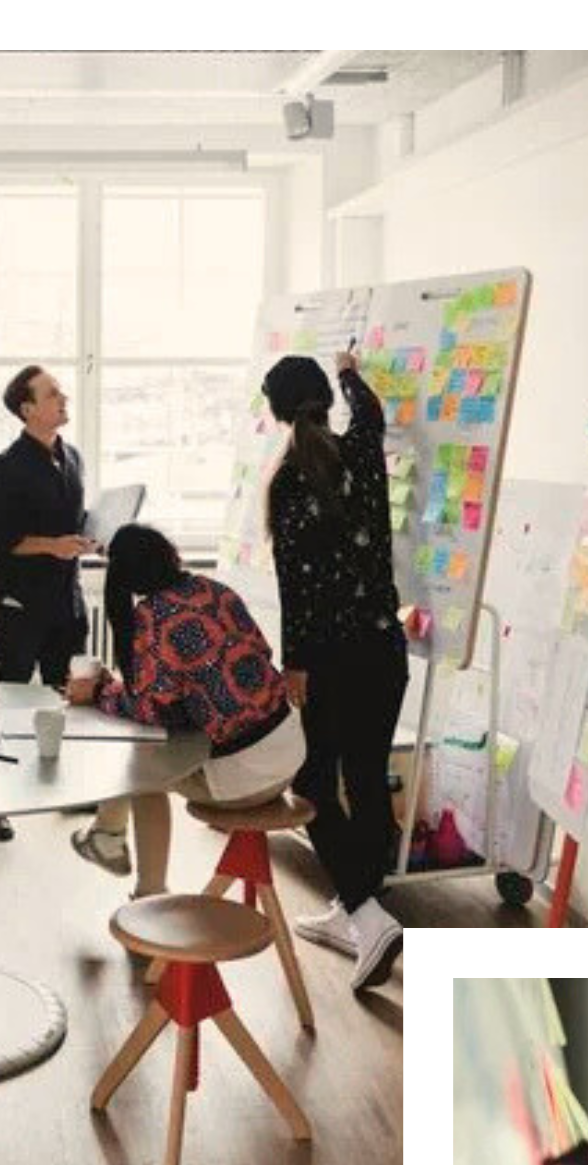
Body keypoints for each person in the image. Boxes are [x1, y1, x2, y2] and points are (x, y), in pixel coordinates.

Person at [261, 349, 409, 993]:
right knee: (367, 778)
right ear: (325, 399)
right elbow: (370, 414)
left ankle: (365, 914)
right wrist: (350, 372)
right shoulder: (363, 454)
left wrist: (293, 664)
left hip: (329, 658)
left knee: (312, 783)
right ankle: (360, 908)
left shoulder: (290, 480)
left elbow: (295, 585)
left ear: (276, 413)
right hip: (384, 648)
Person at [63, 524, 301, 900]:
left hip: (247, 780)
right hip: (292, 751)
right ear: (170, 553)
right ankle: (105, 836)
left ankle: (144, 885)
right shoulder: (214, 589)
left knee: (141, 766)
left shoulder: (152, 618)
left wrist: (95, 693)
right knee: (153, 746)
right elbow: (257, 655)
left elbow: (150, 710)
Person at [0, 363, 99, 843]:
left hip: (67, 601)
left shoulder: (73, 458)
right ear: (27, 409)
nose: (64, 399)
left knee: (67, 695)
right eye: (52, 394)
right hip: (20, 605)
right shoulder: (0, 471)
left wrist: (90, 538)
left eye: (61, 392)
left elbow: (72, 522)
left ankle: (65, 787)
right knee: (8, 701)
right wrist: (52, 545)